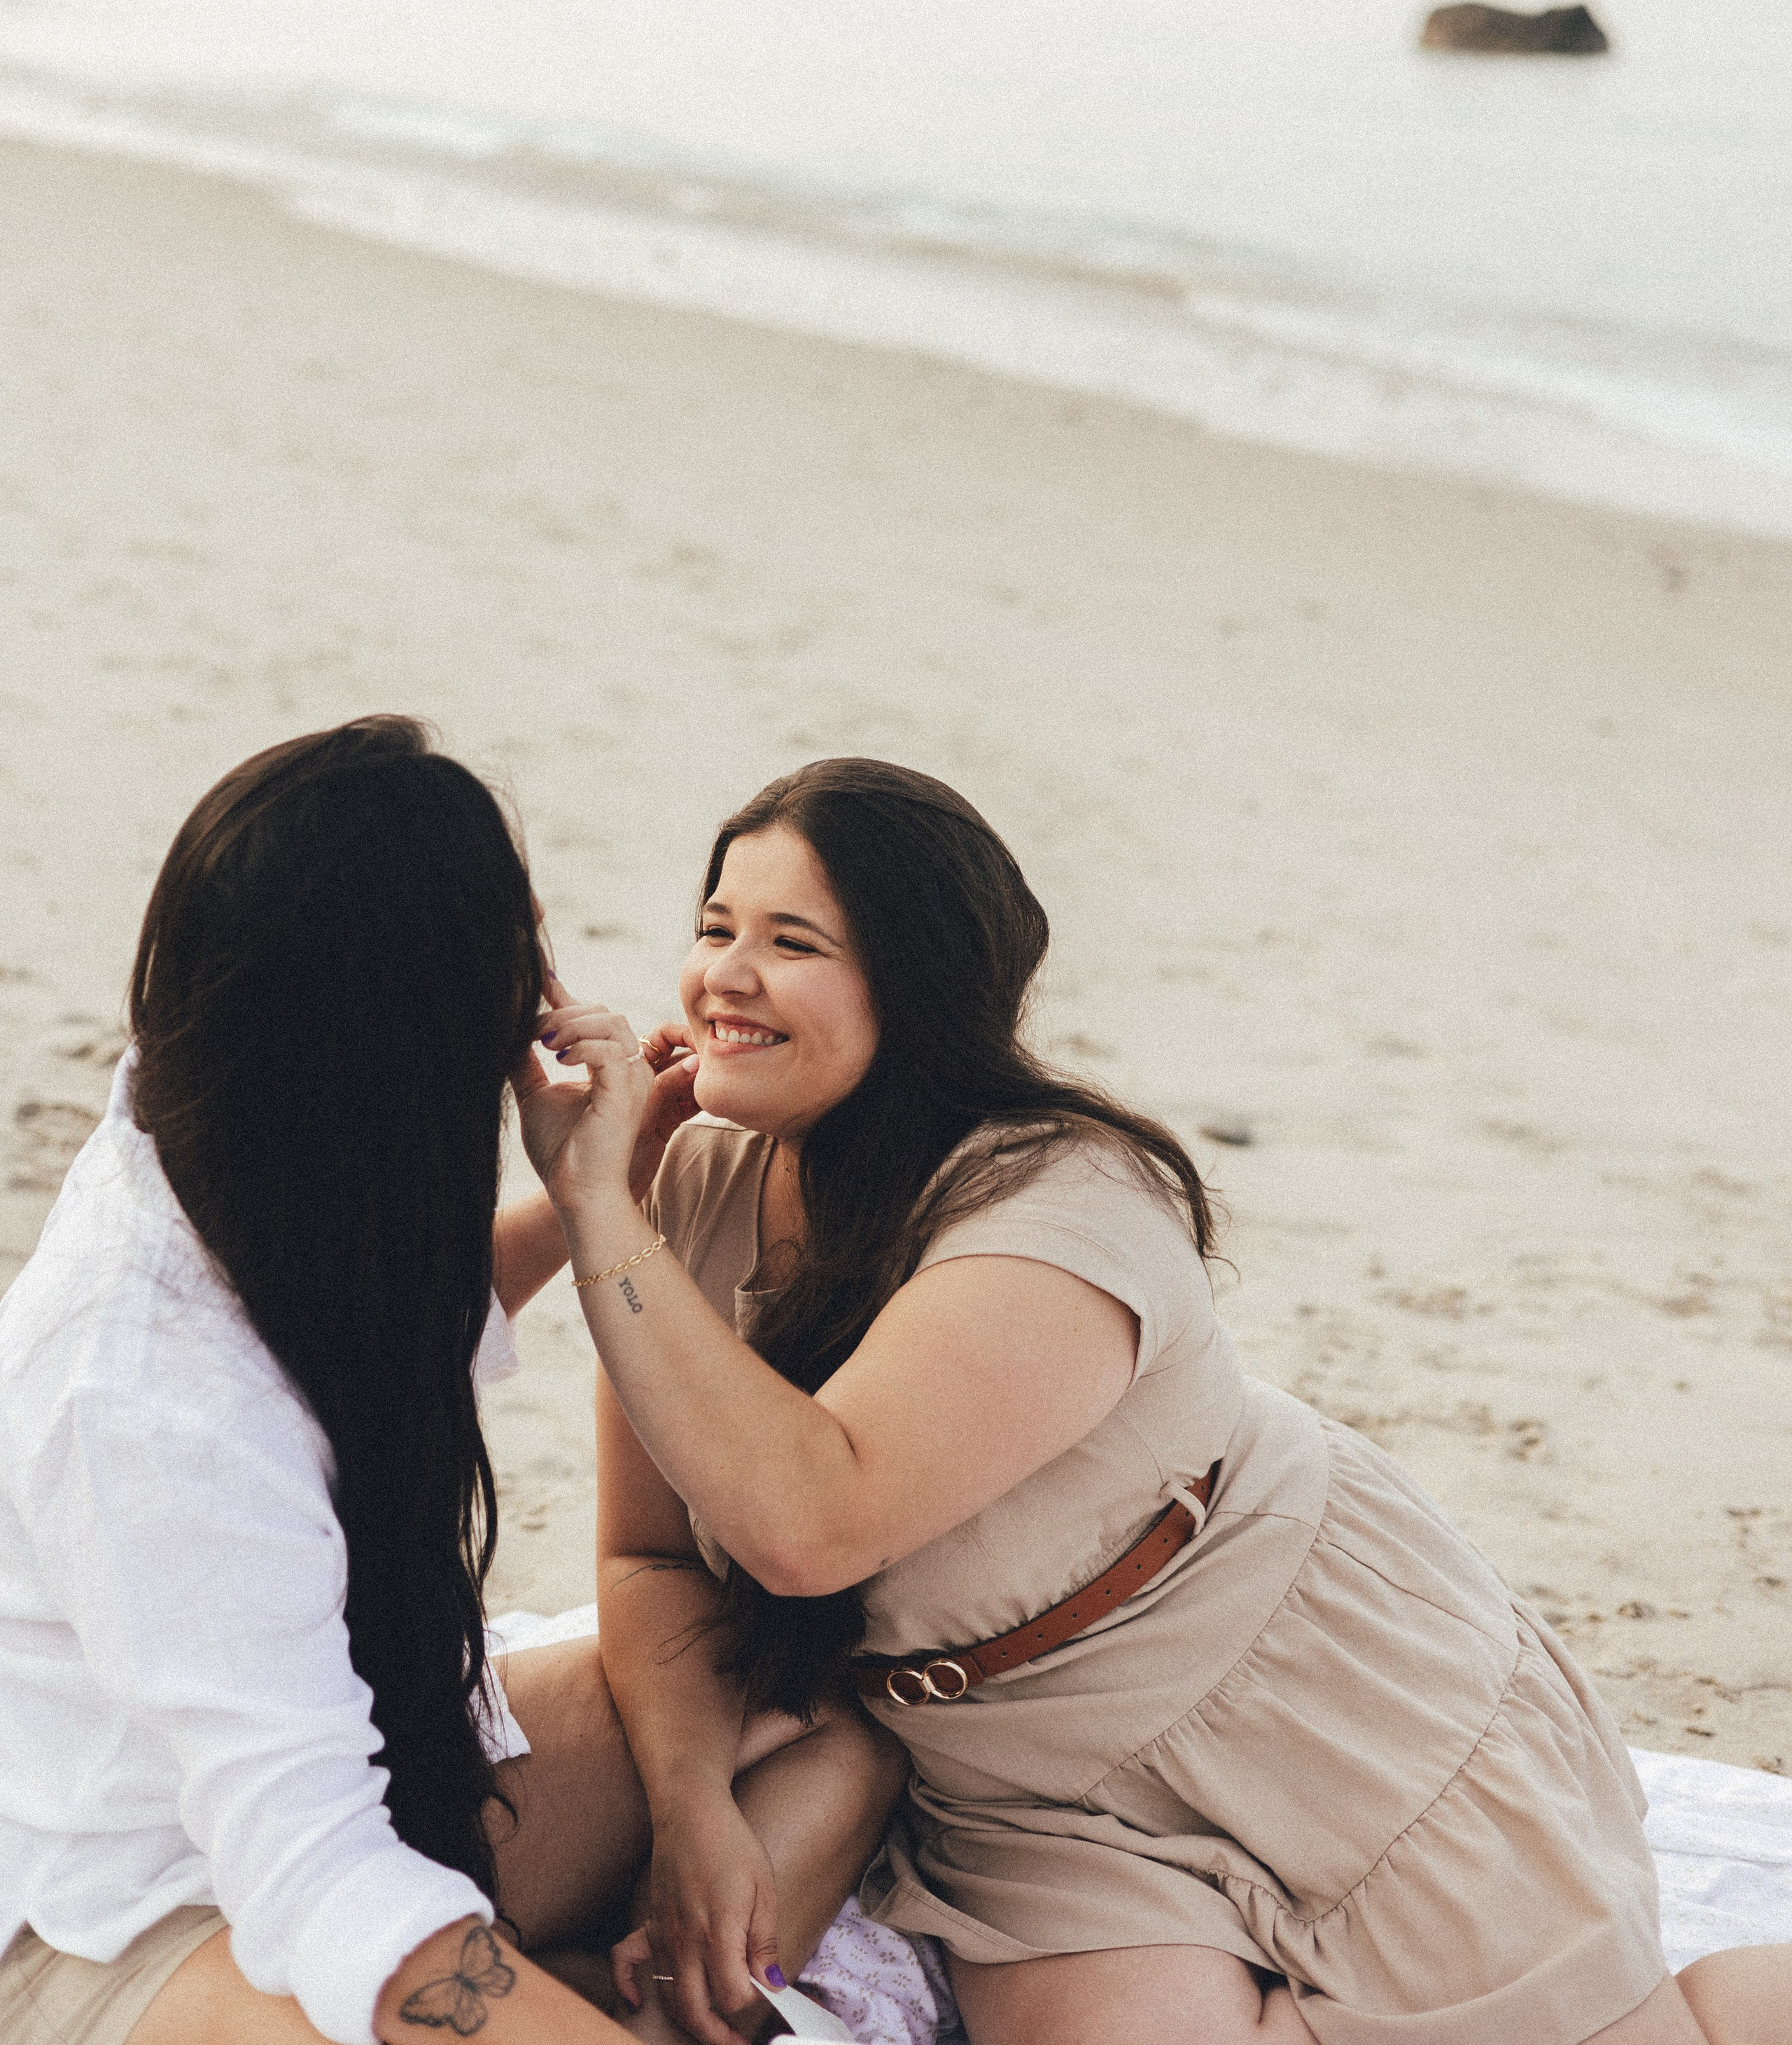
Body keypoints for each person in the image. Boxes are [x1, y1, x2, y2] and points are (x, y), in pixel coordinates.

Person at [531, 755, 1792, 2045]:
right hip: (1019, 1784)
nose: (723, 975)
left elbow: (809, 1522)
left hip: (1293, 1690)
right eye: (713, 927)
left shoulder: (1065, 1195)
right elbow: (648, 1555)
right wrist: (695, 1812)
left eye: (791, 942)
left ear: (918, 988)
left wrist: (593, 1210)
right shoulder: (684, 1199)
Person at [0, 720, 900, 2045]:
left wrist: (593, 1194)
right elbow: (314, 1871)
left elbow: (345, 1342)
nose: (543, 977)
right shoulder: (140, 1393)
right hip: (115, 1910)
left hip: (342, 1778)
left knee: (813, 1712)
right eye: (511, 946)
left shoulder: (228, 1117)